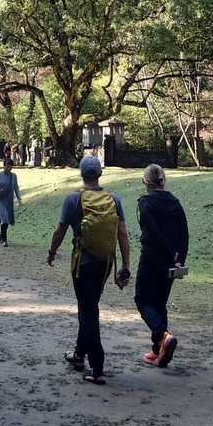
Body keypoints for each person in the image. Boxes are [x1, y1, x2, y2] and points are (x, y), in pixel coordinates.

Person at [46, 155, 132, 385]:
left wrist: (52, 253)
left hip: (83, 264)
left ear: (81, 174)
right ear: (100, 174)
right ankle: (78, 354)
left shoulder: (73, 199)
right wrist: (126, 265)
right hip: (105, 263)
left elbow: (59, 230)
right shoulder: (114, 199)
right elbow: (123, 233)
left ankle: (97, 367)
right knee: (89, 307)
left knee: (88, 312)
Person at [134, 164, 189, 368]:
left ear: (145, 182)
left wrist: (168, 253)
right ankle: (158, 351)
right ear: (163, 181)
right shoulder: (175, 203)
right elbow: (184, 234)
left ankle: (163, 336)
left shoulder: (145, 203)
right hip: (170, 264)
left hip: (151, 260)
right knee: (159, 304)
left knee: (142, 300)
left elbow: (153, 233)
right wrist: (179, 258)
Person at [0, 157, 22, 246]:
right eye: (7, 166)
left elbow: (16, 187)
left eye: (10, 166)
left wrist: (19, 199)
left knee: (7, 219)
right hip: (0, 199)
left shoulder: (13, 176)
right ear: (4, 166)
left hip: (9, 200)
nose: (9, 168)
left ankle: (1, 236)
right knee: (5, 218)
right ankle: (4, 239)